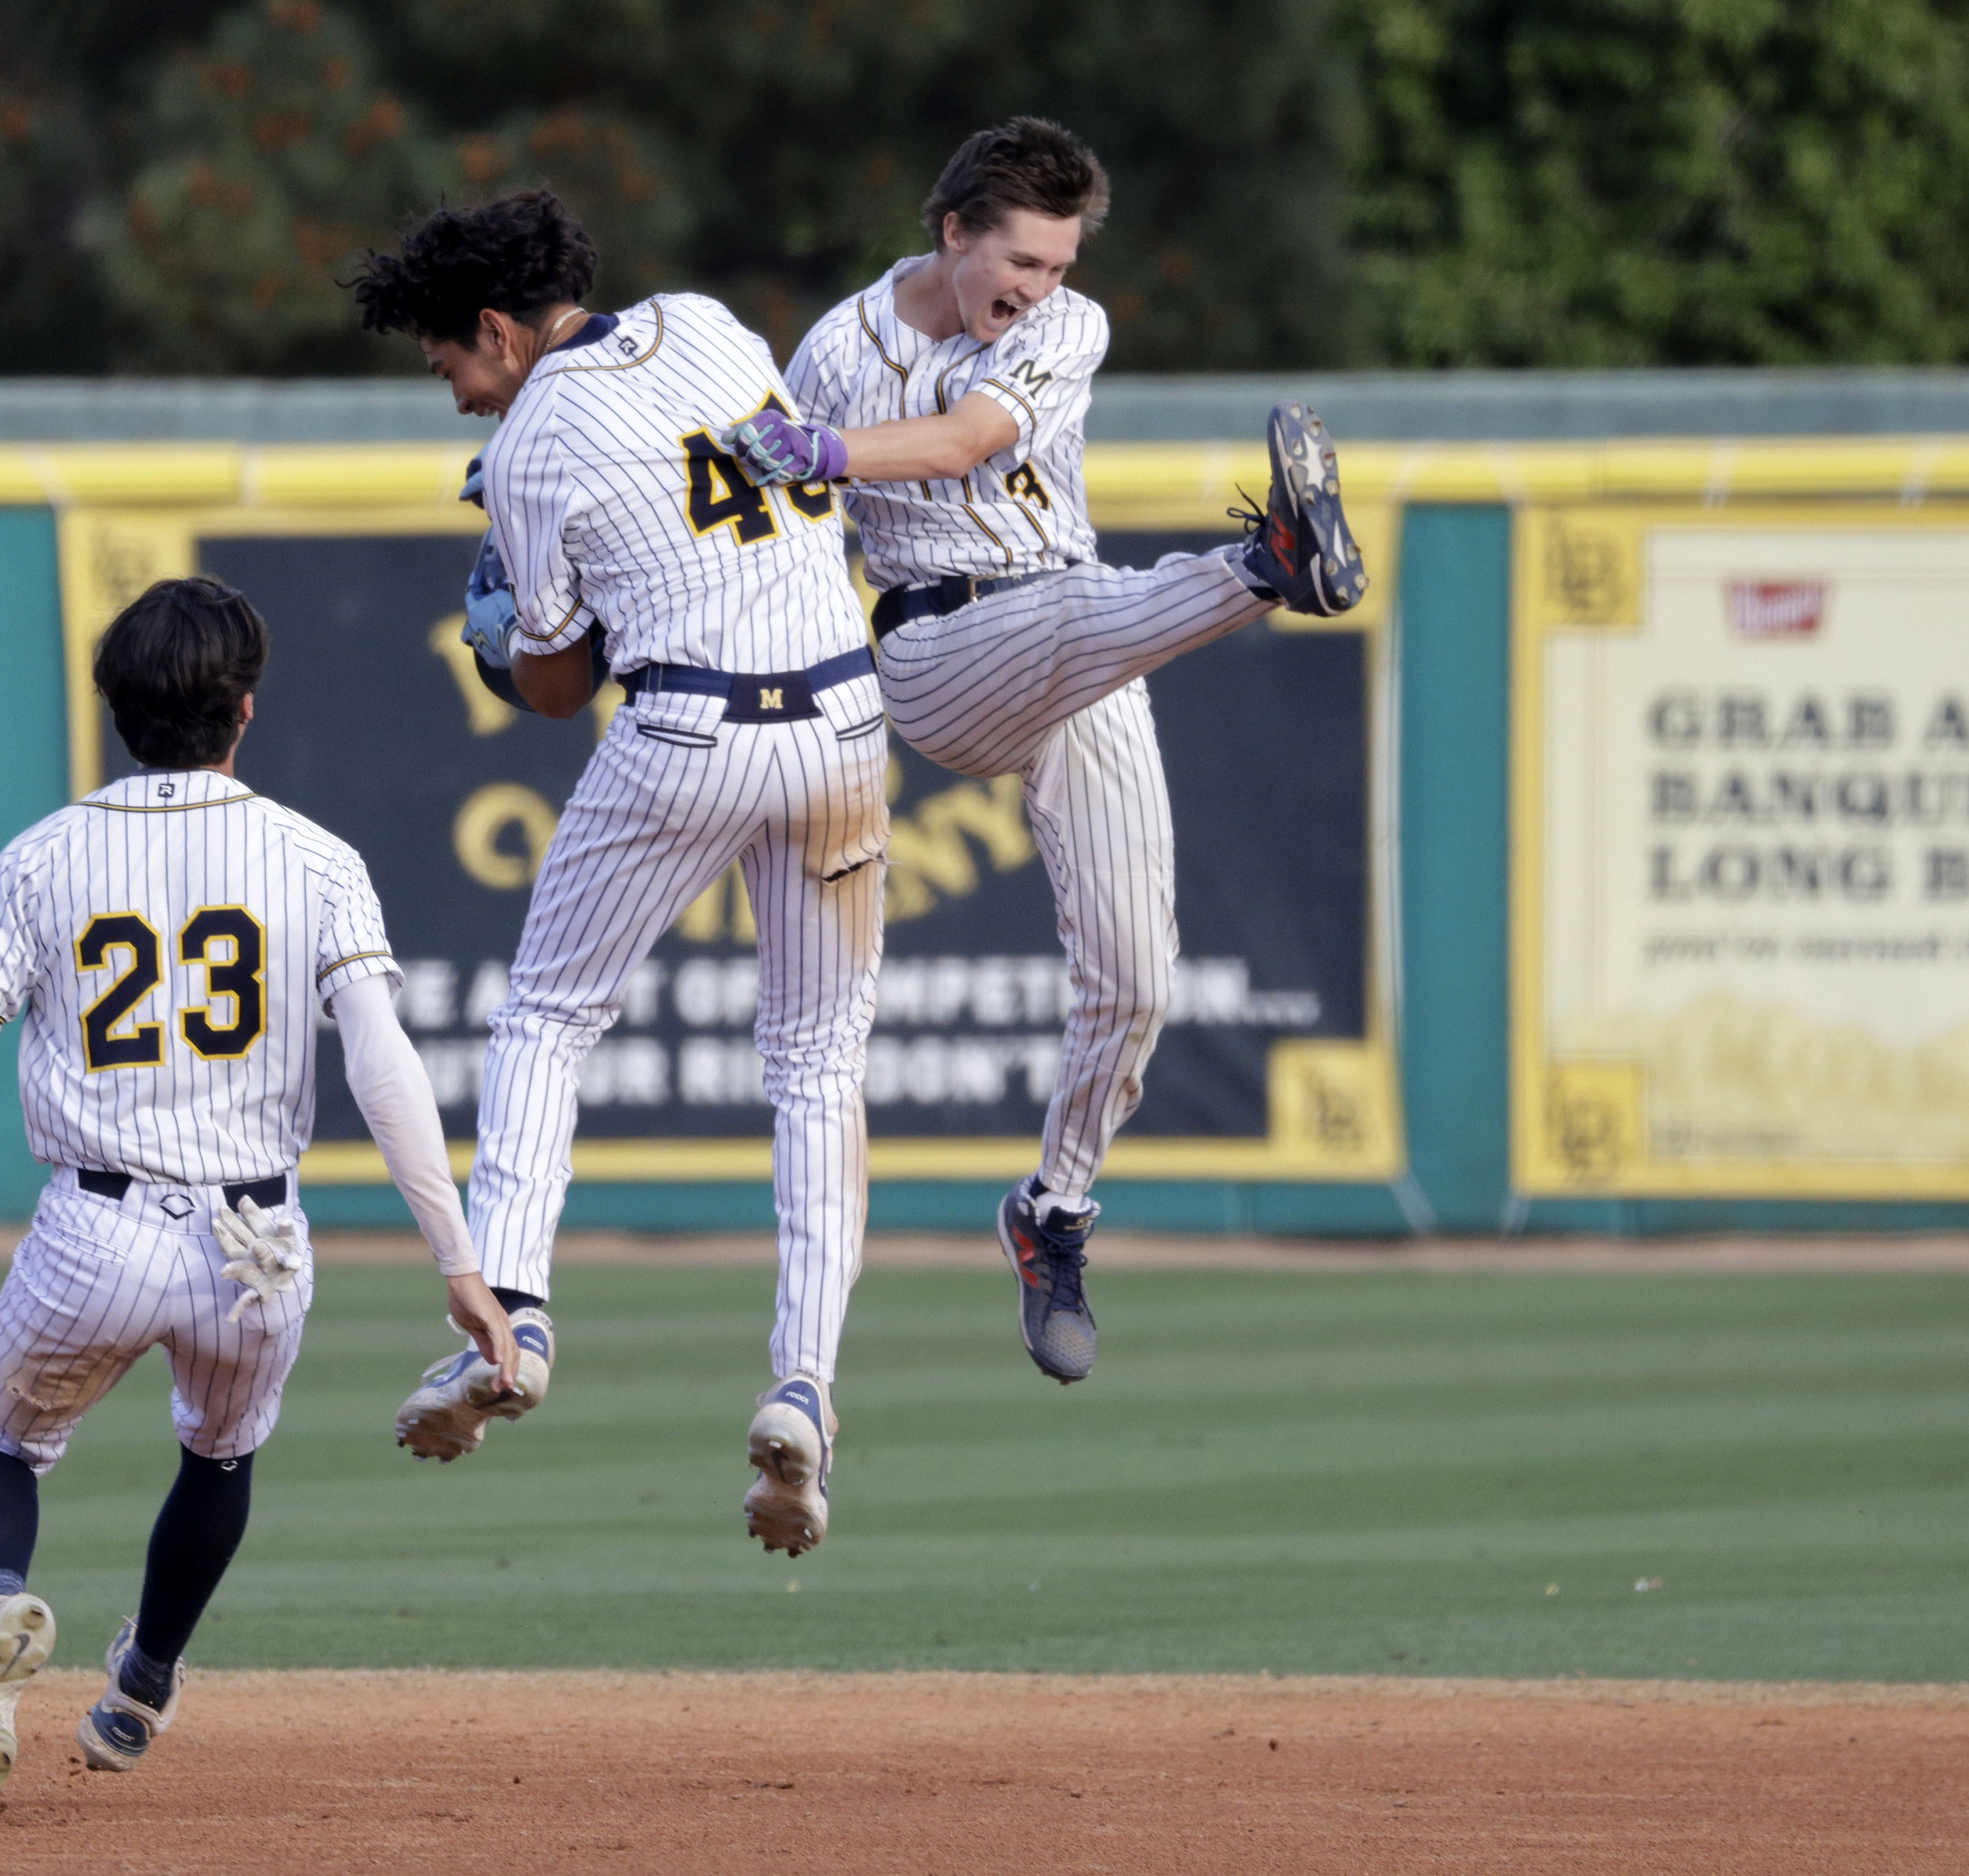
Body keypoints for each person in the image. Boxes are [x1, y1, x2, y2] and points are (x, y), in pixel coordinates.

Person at [0, 575, 516, 1820]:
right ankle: (142, 1685)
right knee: (221, 1452)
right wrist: (460, 1263)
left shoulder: (43, 857)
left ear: (116, 709)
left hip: (95, 1229)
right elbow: (382, 1065)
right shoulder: (317, 859)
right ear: (244, 709)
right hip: (258, 1245)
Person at [722, 118, 1364, 1384]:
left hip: (1089, 640)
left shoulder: (1071, 328)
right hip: (940, 652)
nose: (1041, 287)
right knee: (1081, 605)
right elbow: (764, 522)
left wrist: (828, 454)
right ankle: (1264, 567)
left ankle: (1054, 1211)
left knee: (1136, 981)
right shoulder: (836, 352)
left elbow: (970, 438)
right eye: (1021, 260)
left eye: (1061, 264)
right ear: (953, 230)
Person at [351, 190, 886, 1557]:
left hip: (690, 726)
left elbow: (551, 686)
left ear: (496, 329)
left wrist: (493, 633)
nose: (456, 393)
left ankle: (513, 1320)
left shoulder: (531, 440)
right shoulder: (708, 322)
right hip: (842, 715)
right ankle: (805, 1385)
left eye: (450, 361)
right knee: (819, 1064)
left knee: (548, 1015)